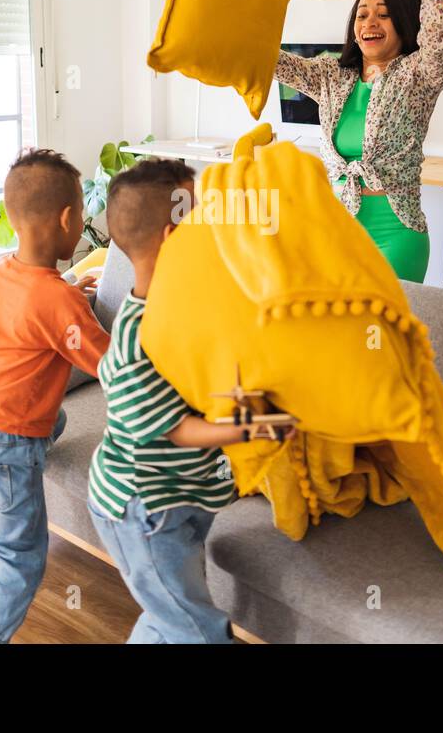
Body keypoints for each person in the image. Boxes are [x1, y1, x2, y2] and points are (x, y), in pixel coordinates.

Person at [86, 158, 294, 643]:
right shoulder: (138, 338)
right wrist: (255, 428)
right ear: (171, 239)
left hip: (181, 498)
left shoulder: (186, 311)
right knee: (198, 630)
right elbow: (180, 428)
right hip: (142, 510)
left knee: (169, 613)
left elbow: (209, 379)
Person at [0, 147, 109, 644]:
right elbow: (108, 364)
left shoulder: (5, 270)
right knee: (22, 556)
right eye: (81, 213)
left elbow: (26, 315)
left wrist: (73, 286)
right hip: (4, 439)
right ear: (66, 218)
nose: (83, 222)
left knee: (51, 422)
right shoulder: (58, 302)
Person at [273, 0, 443, 282]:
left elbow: (441, 30)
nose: (370, 23)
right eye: (362, 15)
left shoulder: (418, 75)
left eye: (384, 14)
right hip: (337, 234)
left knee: (382, 328)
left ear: (404, 20)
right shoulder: (332, 76)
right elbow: (273, 62)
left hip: (396, 238)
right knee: (335, 327)